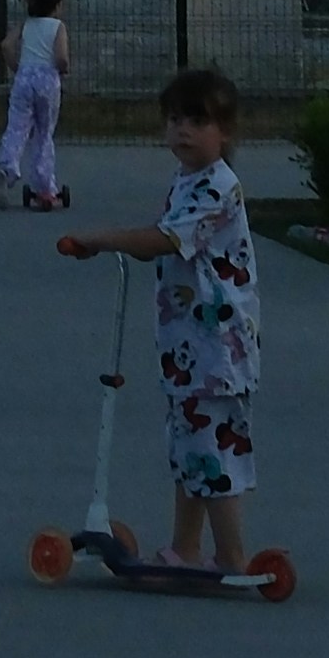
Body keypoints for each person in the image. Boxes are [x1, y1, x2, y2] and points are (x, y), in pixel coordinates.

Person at [62, 62, 262, 572]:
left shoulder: (217, 186)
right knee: (189, 447)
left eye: (197, 121)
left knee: (213, 452)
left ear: (226, 132)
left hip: (216, 348)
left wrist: (102, 238)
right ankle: (186, 548)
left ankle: (232, 558)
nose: (182, 131)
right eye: (174, 120)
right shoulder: (188, 180)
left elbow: (165, 240)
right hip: (188, 346)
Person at [0, 0, 70, 213]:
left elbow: (6, 45)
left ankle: (6, 168)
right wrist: (64, 69)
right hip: (47, 81)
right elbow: (61, 57)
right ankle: (44, 187)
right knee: (43, 132)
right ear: (57, 5)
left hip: (24, 79)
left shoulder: (26, 24)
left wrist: (17, 67)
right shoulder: (57, 27)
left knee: (17, 127)